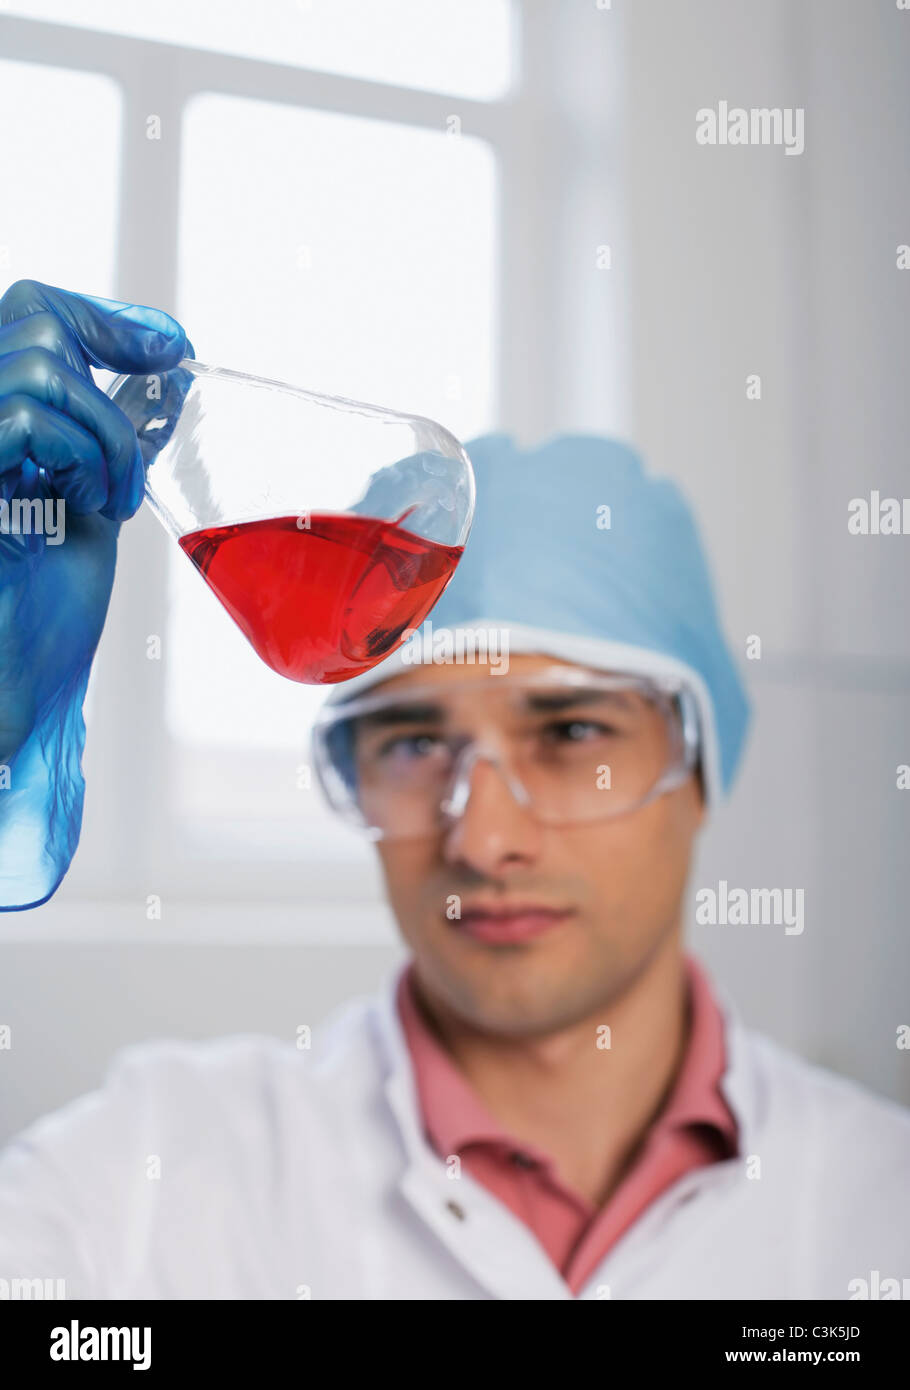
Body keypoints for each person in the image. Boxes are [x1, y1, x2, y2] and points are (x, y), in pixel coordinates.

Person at [0, 281, 907, 1301]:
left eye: (569, 732)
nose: (481, 838)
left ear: (697, 768)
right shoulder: (149, 1173)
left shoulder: (880, 1207)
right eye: (415, 742)